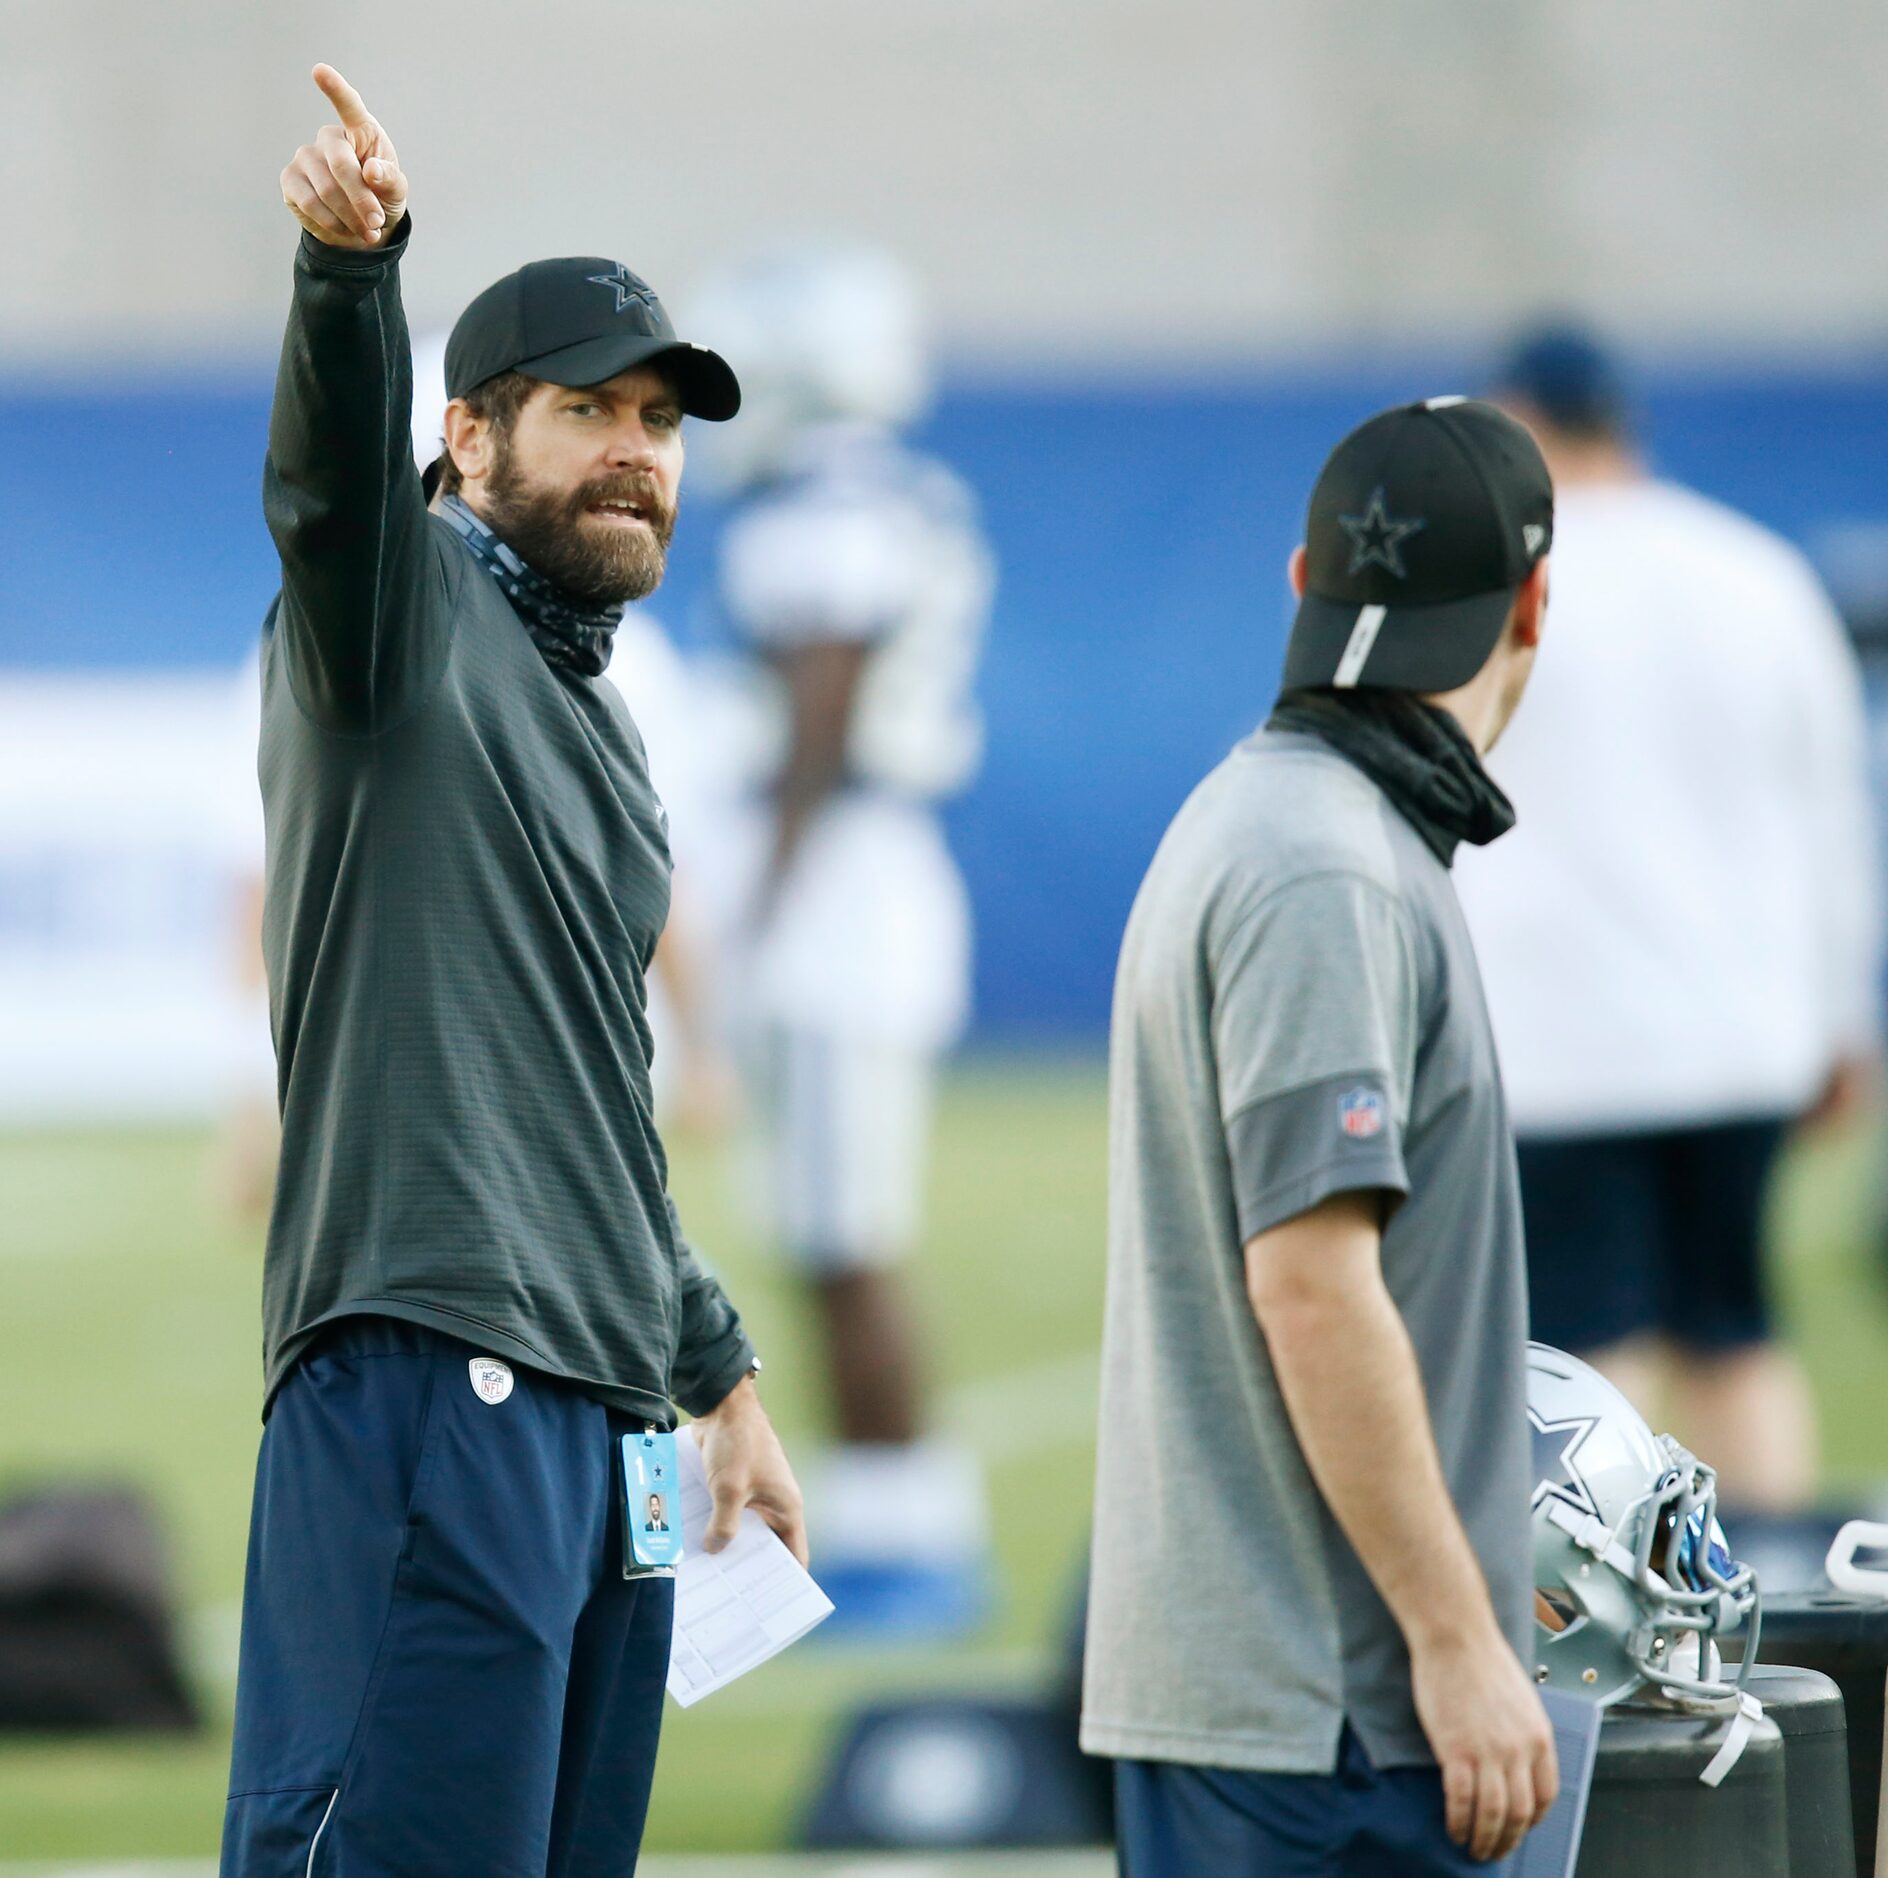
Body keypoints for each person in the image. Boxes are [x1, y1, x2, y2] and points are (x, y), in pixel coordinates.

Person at [224, 67, 804, 1874]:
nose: (636, 447)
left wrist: (716, 1372)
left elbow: (583, 1098)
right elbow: (323, 494)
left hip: (602, 1413)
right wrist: (348, 275)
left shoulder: (593, 716)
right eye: (584, 410)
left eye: (660, 418)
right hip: (427, 1367)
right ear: (469, 438)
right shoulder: (390, 621)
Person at [1083, 398, 1560, 1874]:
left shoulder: (1284, 820)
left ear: (1305, 587)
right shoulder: (1325, 867)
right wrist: (1456, 1637)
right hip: (1330, 1728)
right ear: (1535, 604)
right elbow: (1312, 1282)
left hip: (1291, 1719)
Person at [1457, 324, 1882, 1514]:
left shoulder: (1504, 581)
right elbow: (1832, 819)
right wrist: (1840, 1020)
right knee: (1734, 1330)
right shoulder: (1756, 572)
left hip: (1559, 1035)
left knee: (1589, 1351)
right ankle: (1788, 1611)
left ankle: (1629, 1640)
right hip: (1739, 1030)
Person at [687, 247, 995, 1634]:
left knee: (841, 1230)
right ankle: (900, 1522)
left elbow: (823, 705)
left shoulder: (827, 508)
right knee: (834, 1225)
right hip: (870, 866)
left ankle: (898, 1540)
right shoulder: (898, 490)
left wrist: (761, 902)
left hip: (841, 877)